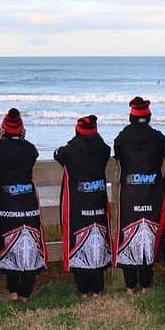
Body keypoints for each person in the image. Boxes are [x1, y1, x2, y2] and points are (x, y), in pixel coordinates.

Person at [0, 108, 46, 303]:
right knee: (29, 247)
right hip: (28, 202)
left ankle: (13, 292)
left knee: (9, 248)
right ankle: (25, 294)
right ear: (22, 131)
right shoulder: (30, 149)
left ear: (2, 130)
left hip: (6, 204)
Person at [113, 97, 165, 295]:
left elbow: (118, 157)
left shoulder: (121, 138)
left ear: (131, 116)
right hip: (153, 194)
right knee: (150, 236)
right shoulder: (159, 137)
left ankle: (130, 286)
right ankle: (146, 285)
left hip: (130, 195)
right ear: (149, 116)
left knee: (128, 235)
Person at [54, 115, 112, 297]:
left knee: (79, 243)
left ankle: (83, 291)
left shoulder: (70, 151)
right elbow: (101, 145)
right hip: (98, 202)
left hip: (78, 205)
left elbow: (58, 153)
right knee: (99, 243)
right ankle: (97, 290)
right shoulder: (103, 149)